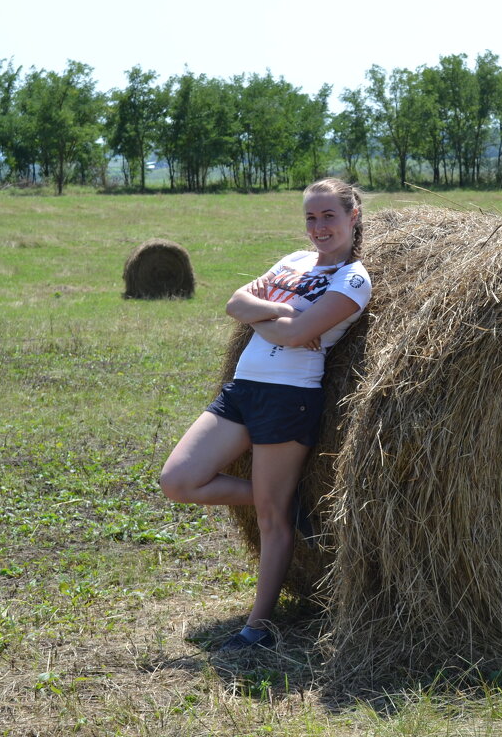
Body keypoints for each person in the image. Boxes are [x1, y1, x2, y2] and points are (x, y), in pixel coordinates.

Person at [159, 178, 371, 652]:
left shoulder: (353, 280)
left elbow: (298, 336)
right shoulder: (294, 262)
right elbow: (236, 302)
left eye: (329, 216)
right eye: (311, 217)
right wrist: (281, 319)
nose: (319, 227)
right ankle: (285, 500)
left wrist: (269, 317)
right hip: (244, 389)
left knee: (272, 523)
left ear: (352, 216)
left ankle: (257, 627)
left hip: (289, 397)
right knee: (178, 480)